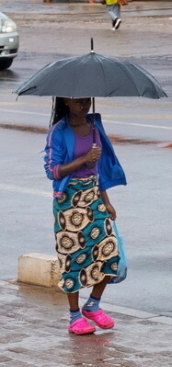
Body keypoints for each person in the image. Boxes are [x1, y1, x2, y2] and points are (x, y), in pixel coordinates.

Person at [44, 97, 126, 335]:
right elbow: (53, 171)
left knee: (110, 252)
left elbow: (98, 170)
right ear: (67, 102)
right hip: (68, 203)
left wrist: (107, 201)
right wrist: (82, 159)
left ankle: (93, 305)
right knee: (74, 257)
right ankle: (73, 316)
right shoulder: (58, 132)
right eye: (78, 101)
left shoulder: (94, 128)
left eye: (86, 101)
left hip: (93, 197)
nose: (84, 106)